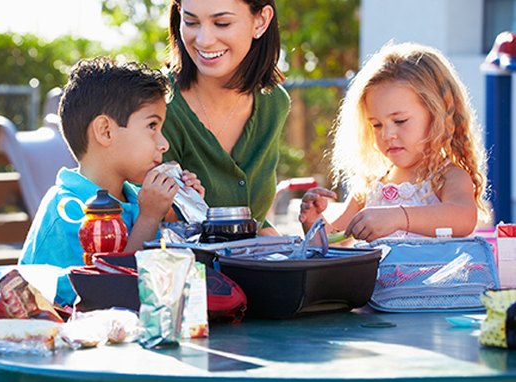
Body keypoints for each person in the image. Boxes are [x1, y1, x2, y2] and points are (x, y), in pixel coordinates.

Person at [19, 57, 204, 306]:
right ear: (105, 131)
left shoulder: (137, 199)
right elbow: (108, 292)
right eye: (152, 126)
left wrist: (177, 213)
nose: (164, 144)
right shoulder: (68, 209)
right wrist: (149, 218)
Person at [299, 42, 489, 242]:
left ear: (437, 115)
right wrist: (313, 223)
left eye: (400, 121)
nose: (387, 134)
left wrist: (399, 217)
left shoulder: (447, 177)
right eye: (376, 125)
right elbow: (335, 241)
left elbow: (463, 218)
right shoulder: (370, 185)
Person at [162, 0, 289, 235]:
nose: (204, 40)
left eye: (222, 23)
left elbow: (255, 221)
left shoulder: (274, 102)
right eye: (191, 22)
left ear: (260, 21)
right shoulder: (158, 105)